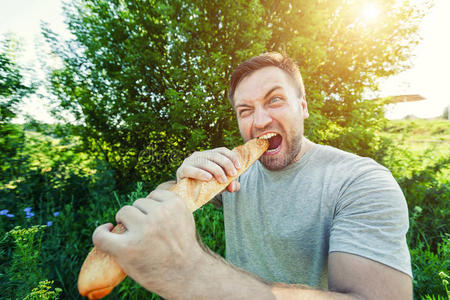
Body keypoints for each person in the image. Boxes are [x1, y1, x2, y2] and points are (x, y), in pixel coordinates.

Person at [93, 52, 413, 299]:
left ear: (302, 107)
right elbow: (168, 199)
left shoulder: (360, 182)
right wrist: (183, 180)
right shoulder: (236, 172)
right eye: (245, 110)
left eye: (274, 100)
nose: (259, 121)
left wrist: (189, 272)